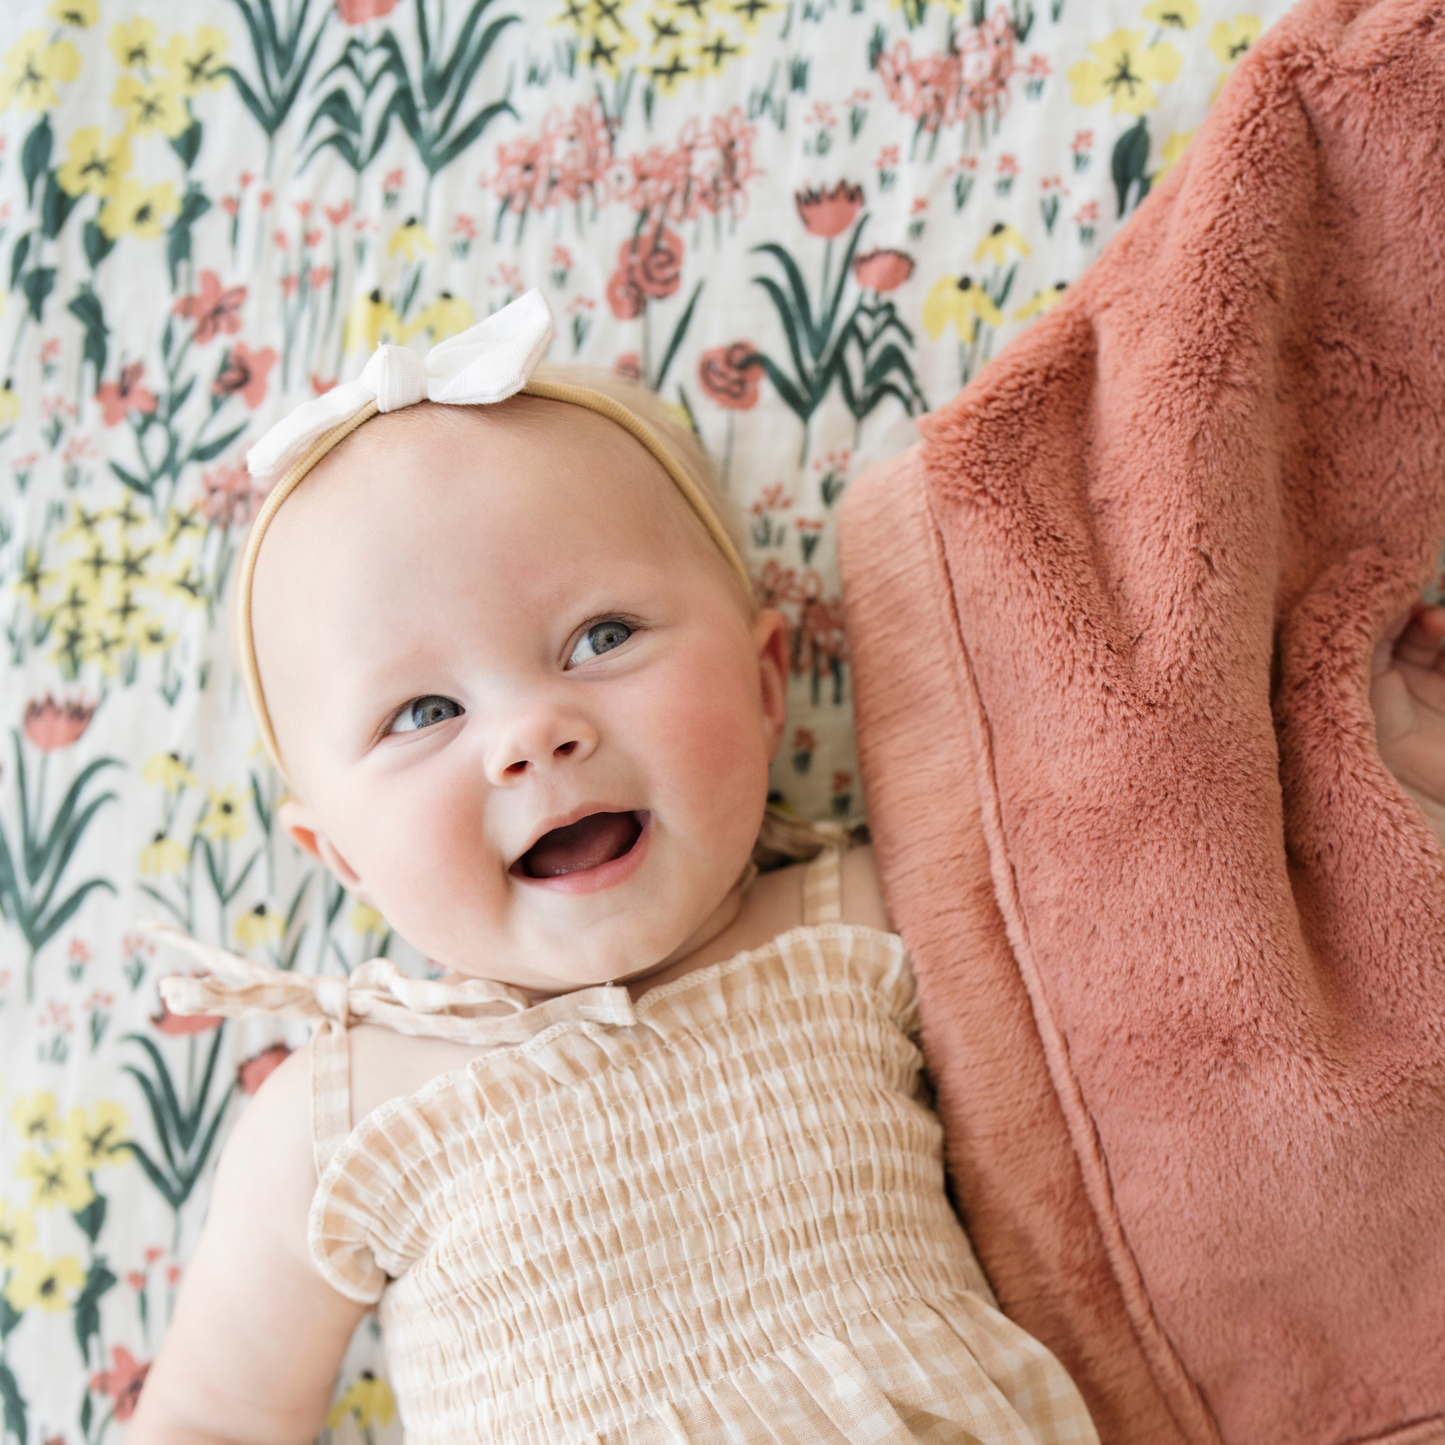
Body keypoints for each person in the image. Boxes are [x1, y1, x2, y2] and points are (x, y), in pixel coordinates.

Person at [128, 291, 1101, 1445]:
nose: (531, 734)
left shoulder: (873, 919)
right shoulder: (334, 1115)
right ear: (339, 858)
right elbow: (214, 1421)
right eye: (424, 710)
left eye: (601, 638)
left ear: (762, 681)